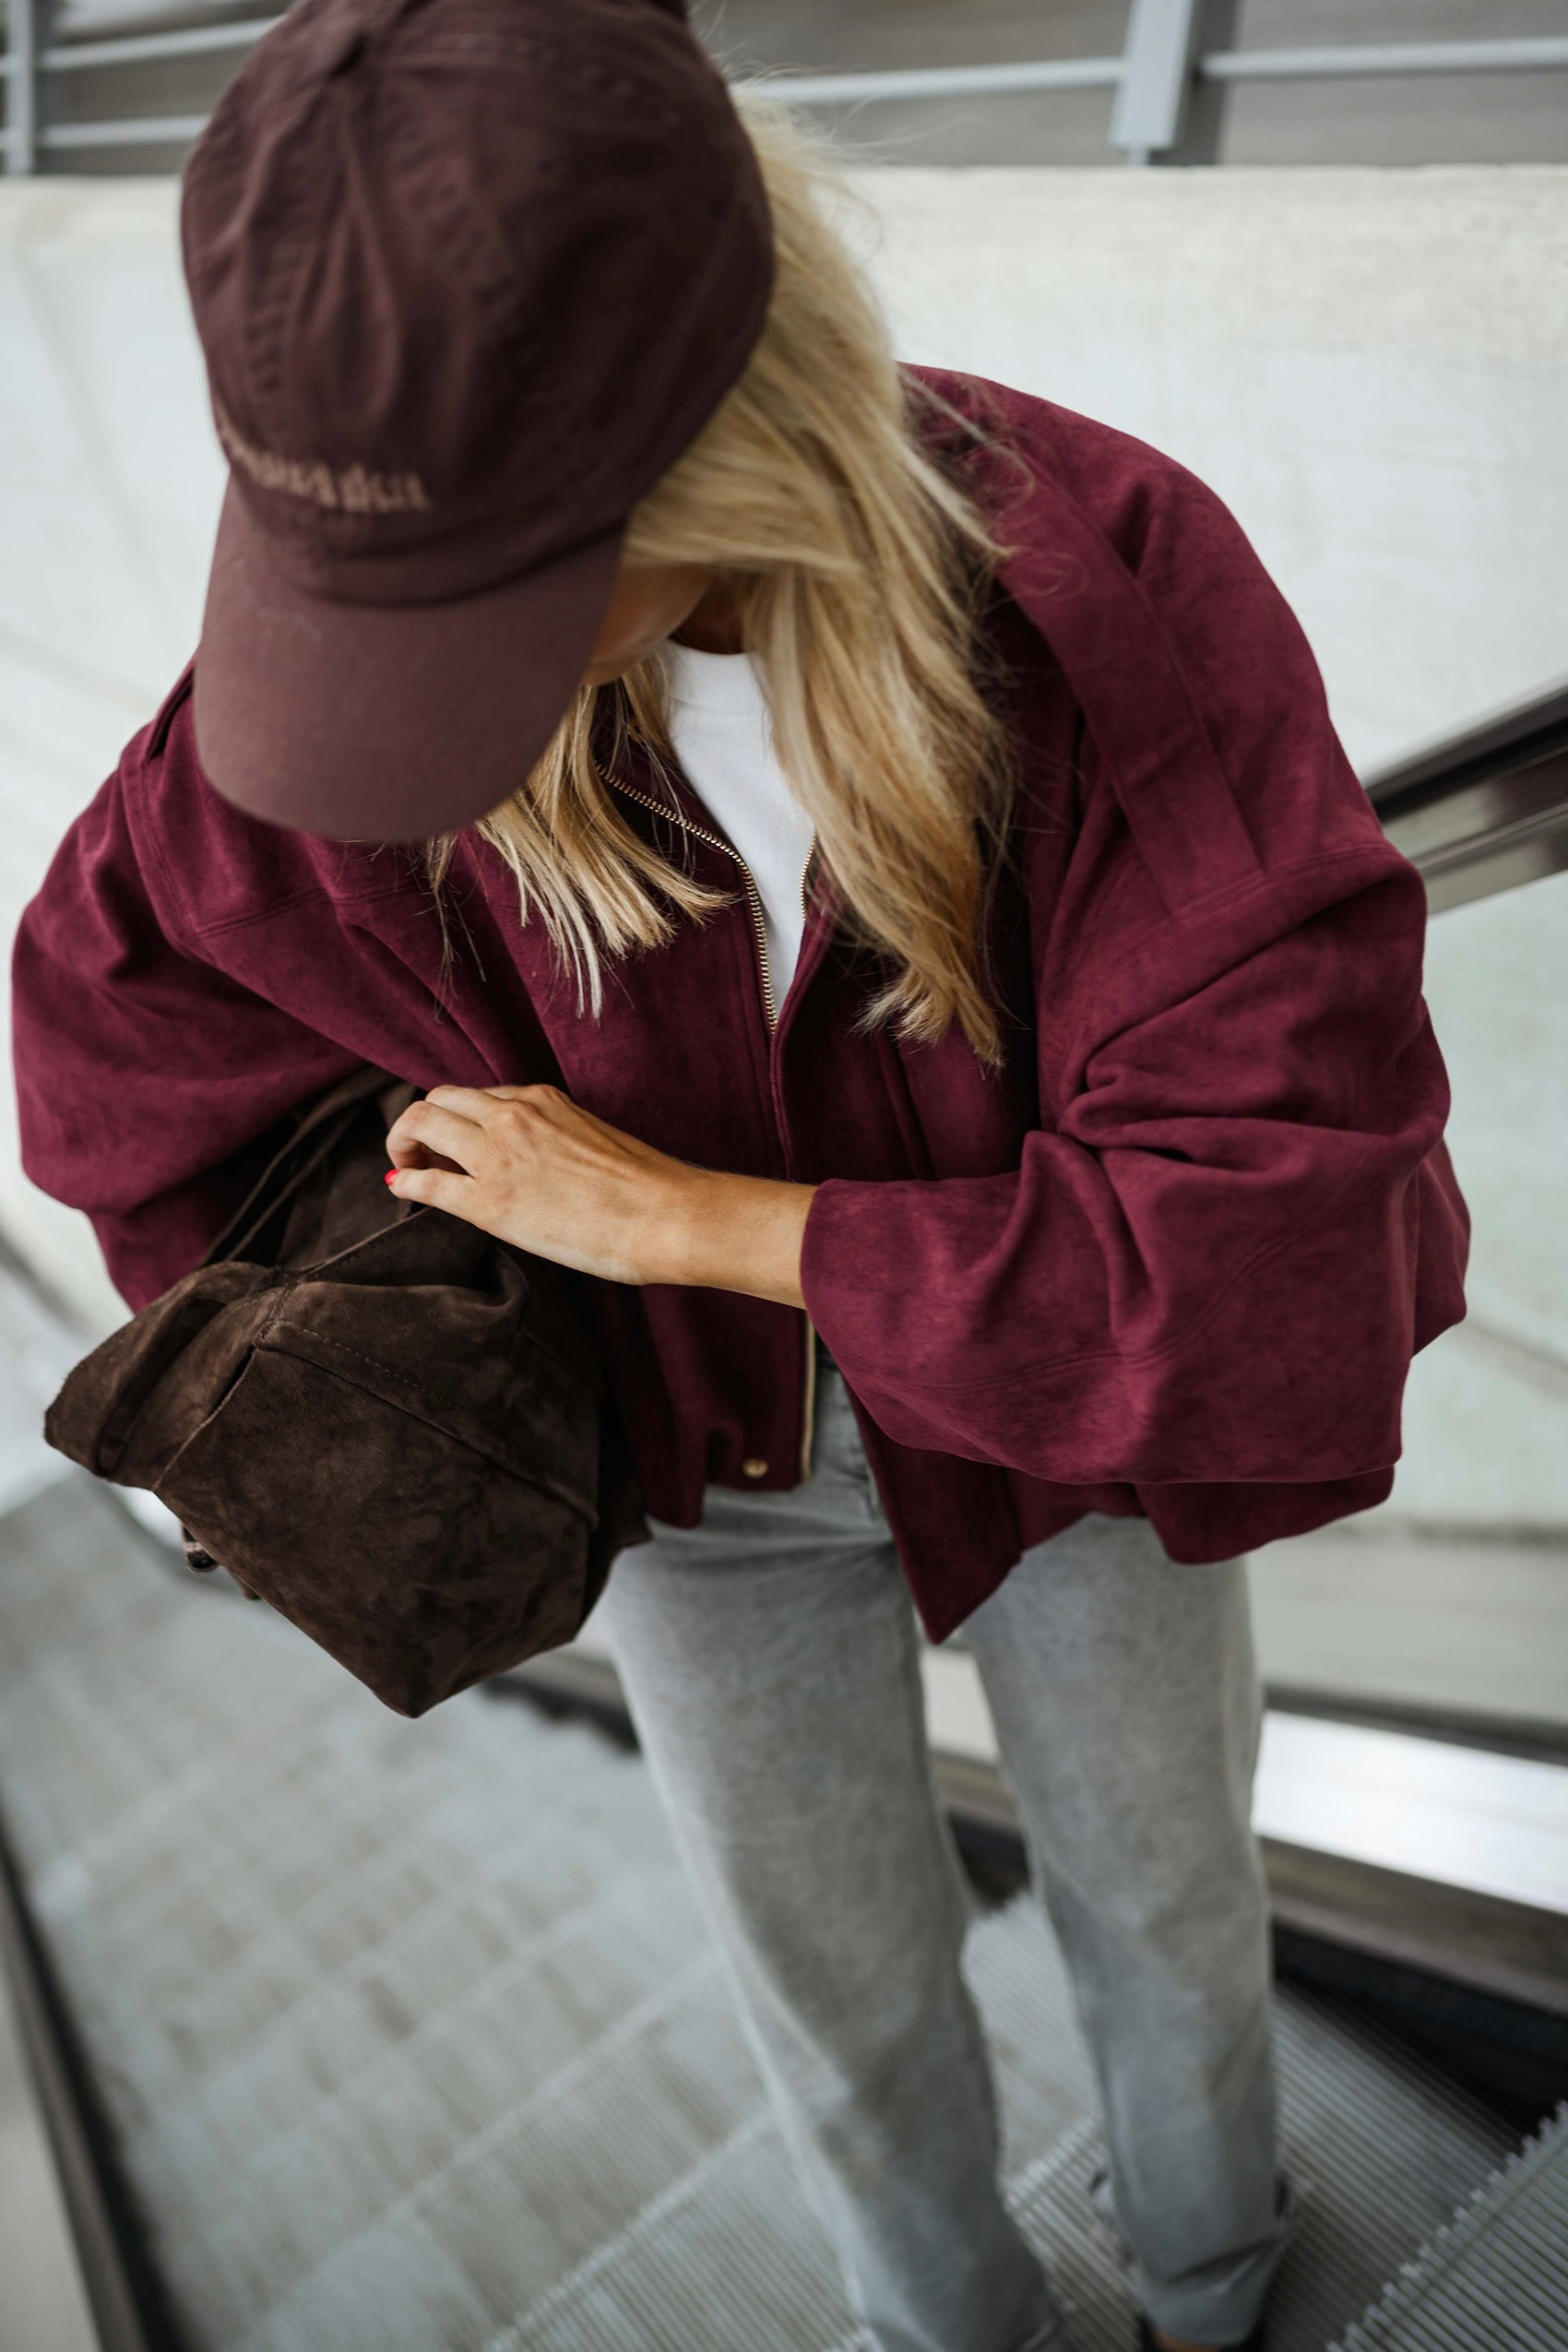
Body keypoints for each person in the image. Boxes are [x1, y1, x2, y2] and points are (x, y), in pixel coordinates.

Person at [12, 3, 1468, 2347]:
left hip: (1073, 1447)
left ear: (708, 446)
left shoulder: (1097, 591)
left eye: (471, 602)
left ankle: (1213, 2289)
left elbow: (1257, 1236)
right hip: (689, 1467)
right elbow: (115, 1024)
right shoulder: (353, 649)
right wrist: (333, 1362)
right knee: (830, 1992)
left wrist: (690, 1223)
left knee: (1166, 1895)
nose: (405, 689)